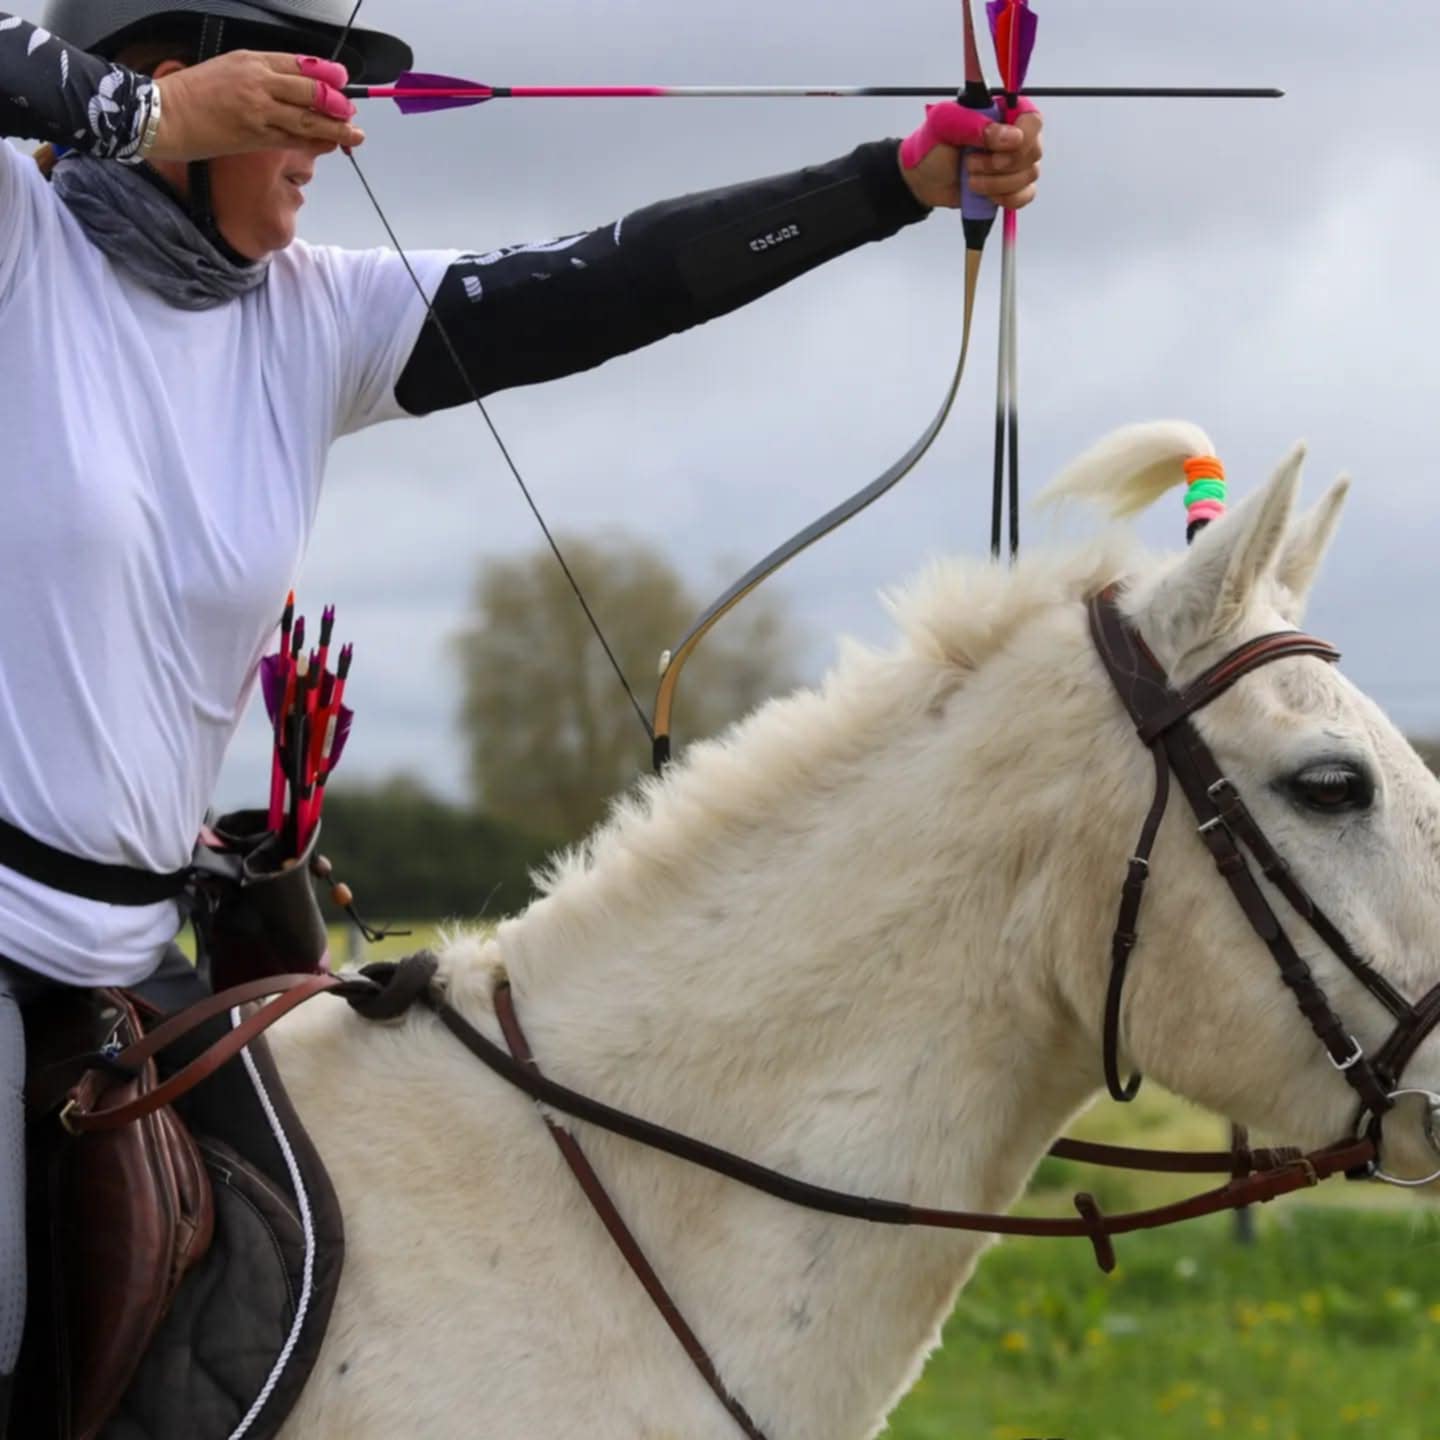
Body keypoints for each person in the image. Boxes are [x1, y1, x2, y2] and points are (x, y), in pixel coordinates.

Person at [0, 0, 1043, 1426]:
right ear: (179, 77)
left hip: (139, 977)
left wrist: (892, 184)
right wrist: (147, 126)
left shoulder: (312, 314)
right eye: (300, 91)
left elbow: (606, 283)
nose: (337, 130)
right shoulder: (20, 239)